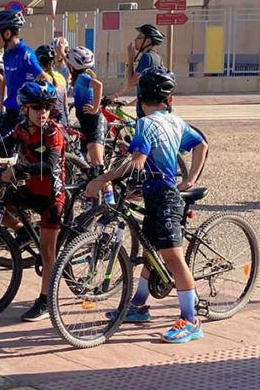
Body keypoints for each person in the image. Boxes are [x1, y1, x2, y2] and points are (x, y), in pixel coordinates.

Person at [86, 66, 208, 344]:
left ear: (140, 100)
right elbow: (201, 145)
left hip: (163, 199)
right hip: (159, 195)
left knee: (173, 258)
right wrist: (190, 178)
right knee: (151, 251)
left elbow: (137, 162)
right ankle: (139, 305)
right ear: (169, 100)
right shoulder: (175, 121)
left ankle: (191, 320)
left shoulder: (145, 124)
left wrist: (104, 177)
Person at [0, 81, 65, 322]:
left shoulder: (52, 132)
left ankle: (46, 301)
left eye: (47, 107)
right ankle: (22, 231)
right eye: (37, 107)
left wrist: (17, 169)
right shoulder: (22, 127)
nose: (43, 112)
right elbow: (4, 144)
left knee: (48, 253)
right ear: (25, 109)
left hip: (52, 196)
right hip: (30, 190)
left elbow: (48, 165)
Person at [0, 9, 43, 138]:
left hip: (23, 115)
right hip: (10, 112)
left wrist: (36, 107)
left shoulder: (25, 54)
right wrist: (2, 104)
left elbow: (45, 79)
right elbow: (5, 80)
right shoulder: (7, 54)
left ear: (7, 34)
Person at [67, 46, 111, 200]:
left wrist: (95, 108)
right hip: (86, 124)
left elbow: (99, 85)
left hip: (94, 123)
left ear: (73, 65)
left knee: (98, 166)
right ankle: (92, 198)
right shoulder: (79, 77)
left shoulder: (83, 77)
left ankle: (110, 200)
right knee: (88, 165)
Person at [117, 24, 165, 118]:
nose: (135, 40)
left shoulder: (147, 58)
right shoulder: (157, 57)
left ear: (148, 41)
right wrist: (133, 102)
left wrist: (130, 58)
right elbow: (149, 88)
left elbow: (131, 83)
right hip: (154, 109)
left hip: (146, 113)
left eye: (139, 37)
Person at [36, 43, 68, 123]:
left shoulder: (39, 78)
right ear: (53, 62)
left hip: (49, 122)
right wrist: (67, 122)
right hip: (62, 121)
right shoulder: (60, 77)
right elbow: (65, 104)